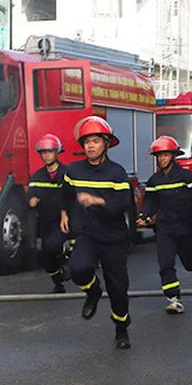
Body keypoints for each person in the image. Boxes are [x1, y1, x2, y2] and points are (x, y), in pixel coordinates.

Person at [60, 116, 133, 350]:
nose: (90, 146)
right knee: (78, 269)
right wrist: (64, 213)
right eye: (87, 142)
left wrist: (98, 200)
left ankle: (121, 329)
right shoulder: (73, 170)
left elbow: (124, 203)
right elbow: (65, 194)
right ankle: (92, 290)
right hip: (87, 233)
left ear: (106, 144)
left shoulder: (117, 173)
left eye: (95, 141)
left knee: (118, 289)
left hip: (113, 237)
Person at [137, 136, 192, 314]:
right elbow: (150, 201)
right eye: (159, 155)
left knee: (190, 263)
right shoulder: (154, 180)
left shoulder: (187, 176)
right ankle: (173, 298)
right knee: (165, 263)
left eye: (165, 155)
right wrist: (145, 216)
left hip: (184, 225)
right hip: (164, 228)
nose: (161, 159)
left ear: (174, 156)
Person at [26, 134, 70, 293]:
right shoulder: (38, 175)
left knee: (54, 246)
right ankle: (59, 282)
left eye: (50, 152)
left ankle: (68, 254)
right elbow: (30, 194)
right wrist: (31, 200)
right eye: (43, 152)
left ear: (57, 152)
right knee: (45, 257)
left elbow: (74, 196)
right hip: (46, 222)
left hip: (63, 220)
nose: (46, 155)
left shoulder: (67, 173)